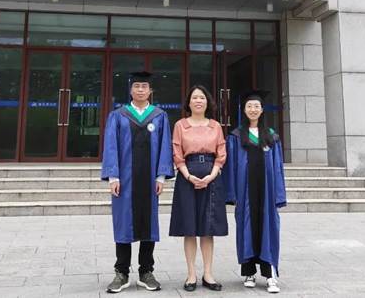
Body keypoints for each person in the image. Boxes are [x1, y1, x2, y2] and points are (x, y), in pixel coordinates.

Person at [101, 71, 174, 294]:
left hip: (150, 180)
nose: (141, 89)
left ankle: (146, 271)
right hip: (125, 180)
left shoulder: (159, 116)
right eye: (137, 86)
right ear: (131, 90)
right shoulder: (118, 115)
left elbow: (165, 146)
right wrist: (113, 177)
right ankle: (121, 272)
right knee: (124, 222)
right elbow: (111, 146)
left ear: (150, 91)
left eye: (144, 86)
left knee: (148, 223)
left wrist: (161, 176)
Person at [223, 90, 286, 294]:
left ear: (262, 110)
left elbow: (278, 168)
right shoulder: (236, 136)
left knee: (268, 229)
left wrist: (278, 195)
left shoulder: (271, 136)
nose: (253, 109)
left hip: (266, 192)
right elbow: (231, 167)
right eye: (249, 106)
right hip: (245, 191)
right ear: (244, 110)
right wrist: (232, 194)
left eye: (256, 106)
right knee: (246, 228)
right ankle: (249, 272)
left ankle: (270, 274)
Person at [169, 85, 228, 292]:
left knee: (207, 228)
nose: (198, 101)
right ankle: (191, 274)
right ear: (189, 102)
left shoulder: (215, 126)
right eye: (194, 98)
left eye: (202, 97)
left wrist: (212, 175)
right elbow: (177, 153)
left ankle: (208, 274)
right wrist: (188, 175)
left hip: (212, 176)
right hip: (187, 177)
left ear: (207, 101)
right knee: (190, 228)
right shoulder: (180, 125)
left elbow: (221, 153)